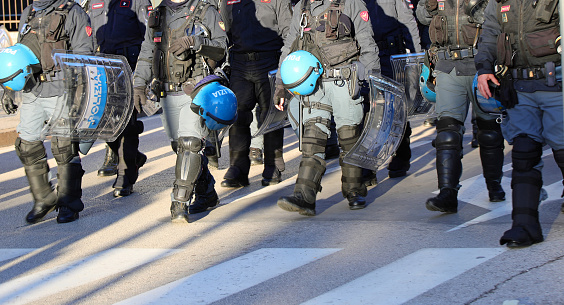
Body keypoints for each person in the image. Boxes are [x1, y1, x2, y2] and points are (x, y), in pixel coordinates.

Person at [274, 0, 380, 215]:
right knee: (312, 139)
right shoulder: (300, 8)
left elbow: (367, 43)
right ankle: (304, 195)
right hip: (313, 85)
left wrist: (373, 81)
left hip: (344, 80)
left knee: (349, 137)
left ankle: (354, 190)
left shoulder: (350, 2)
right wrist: (280, 84)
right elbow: (289, 46)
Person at [475, 0, 562, 247]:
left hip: (557, 83)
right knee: (523, 153)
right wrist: (483, 68)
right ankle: (524, 226)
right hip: (519, 86)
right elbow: (491, 33)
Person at [133, 0, 228, 222]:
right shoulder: (157, 14)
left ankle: (180, 203)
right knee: (182, 148)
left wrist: (195, 42)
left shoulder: (206, 11)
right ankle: (207, 194)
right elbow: (147, 51)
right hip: (166, 94)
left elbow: (222, 48)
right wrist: (139, 83)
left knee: (190, 144)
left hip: (194, 90)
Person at [0, 0, 94, 223]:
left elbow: (85, 53)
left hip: (61, 87)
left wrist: (80, 93)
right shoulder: (29, 11)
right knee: (26, 145)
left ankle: (68, 203)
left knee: (64, 146)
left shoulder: (72, 12)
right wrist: (8, 90)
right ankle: (44, 199)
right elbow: (20, 54)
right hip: (33, 89)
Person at [416, 0, 506, 214]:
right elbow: (422, 17)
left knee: (489, 131)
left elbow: (497, 21)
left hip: (481, 66)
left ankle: (494, 185)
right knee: (446, 132)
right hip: (448, 67)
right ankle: (448, 193)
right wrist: (428, 5)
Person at [219, 0, 293, 188]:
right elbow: (225, 32)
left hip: (269, 61)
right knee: (238, 116)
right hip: (240, 63)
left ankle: (272, 166)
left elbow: (289, 33)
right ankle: (238, 168)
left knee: (271, 114)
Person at [87, 0, 151, 197]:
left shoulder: (138, 1)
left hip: (129, 66)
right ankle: (134, 158)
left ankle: (125, 176)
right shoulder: (93, 2)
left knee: (127, 124)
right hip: (103, 68)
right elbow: (89, 37)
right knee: (104, 123)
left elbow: (148, 37)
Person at [364, 0, 421, 180]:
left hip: (390, 54)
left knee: (396, 108)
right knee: (367, 112)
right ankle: (368, 164)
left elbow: (407, 22)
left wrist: (417, 56)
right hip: (365, 56)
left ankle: (401, 153)